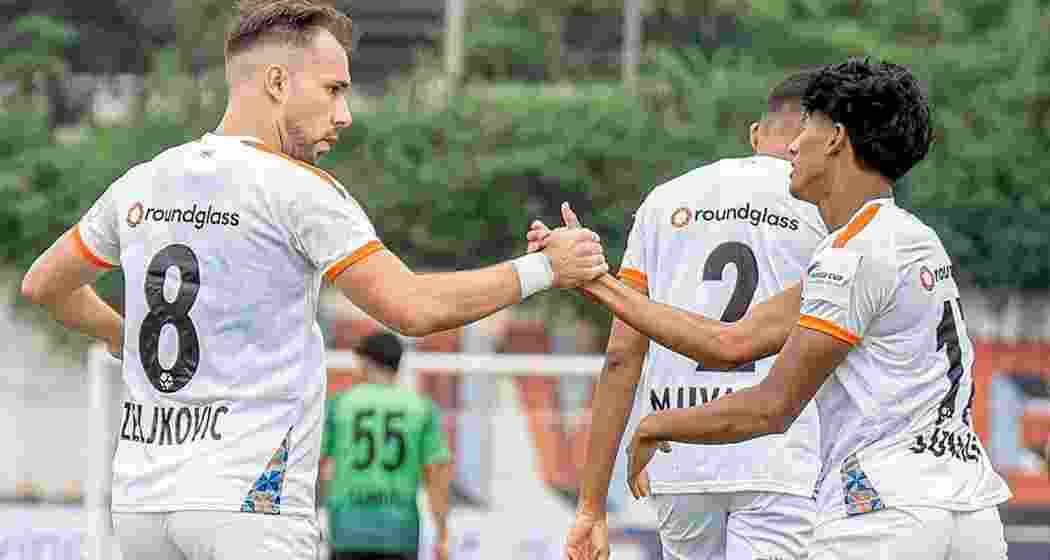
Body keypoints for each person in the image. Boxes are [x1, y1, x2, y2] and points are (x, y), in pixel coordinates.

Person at [18, 2, 606, 559]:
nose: (344, 114)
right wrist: (544, 268)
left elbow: (45, 283)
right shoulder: (299, 189)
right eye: (334, 89)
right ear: (277, 82)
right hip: (252, 502)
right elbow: (411, 308)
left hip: (144, 499)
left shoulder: (144, 181)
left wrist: (127, 338)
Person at [555, 58, 1012, 559]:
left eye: (808, 127)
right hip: (969, 509)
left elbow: (772, 406)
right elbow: (733, 341)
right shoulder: (911, 238)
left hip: (883, 510)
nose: (793, 146)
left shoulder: (851, 256)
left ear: (835, 137)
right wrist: (599, 284)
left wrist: (658, 424)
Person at [532, 72, 827, 560]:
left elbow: (623, 358)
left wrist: (591, 506)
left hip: (679, 456)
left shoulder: (663, 201)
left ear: (757, 134)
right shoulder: (824, 206)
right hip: (783, 457)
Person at [320, 332, 451, 560]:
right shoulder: (421, 407)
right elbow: (436, 474)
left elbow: (320, 466)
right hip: (399, 531)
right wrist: (441, 534)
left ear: (364, 362)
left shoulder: (340, 404)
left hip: (348, 528)